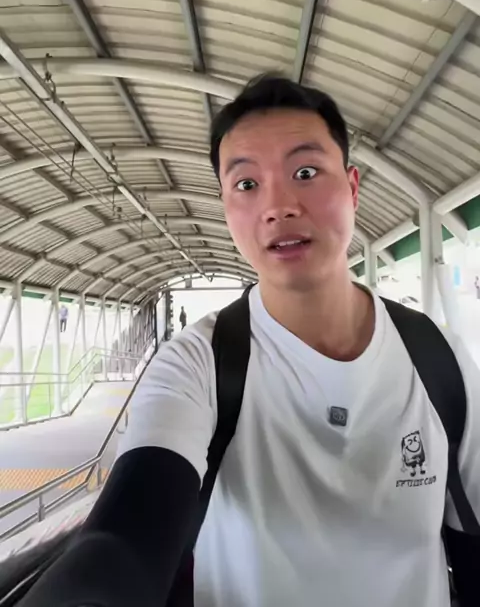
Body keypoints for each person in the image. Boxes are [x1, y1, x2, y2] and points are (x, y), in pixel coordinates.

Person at [16, 73, 480, 607]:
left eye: (305, 172)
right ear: (225, 206)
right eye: (246, 184)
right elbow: (125, 535)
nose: (278, 206)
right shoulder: (199, 365)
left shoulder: (438, 361)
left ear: (352, 188)